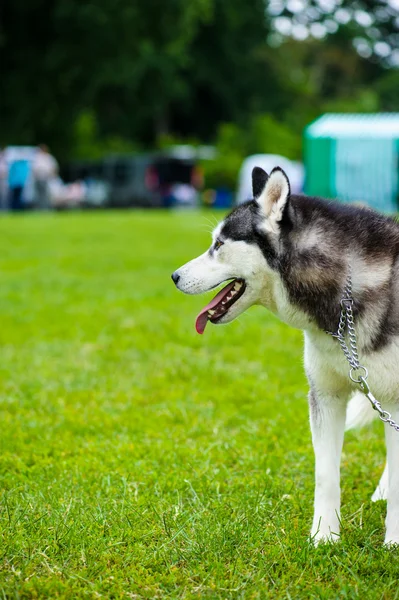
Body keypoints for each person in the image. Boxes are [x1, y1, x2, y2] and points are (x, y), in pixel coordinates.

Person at [32, 144, 58, 209]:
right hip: (38, 178)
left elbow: (54, 168)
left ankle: (45, 208)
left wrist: (52, 177)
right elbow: (33, 168)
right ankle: (39, 208)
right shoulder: (37, 157)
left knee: (46, 194)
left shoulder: (49, 158)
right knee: (38, 195)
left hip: (46, 178)